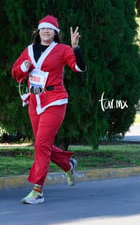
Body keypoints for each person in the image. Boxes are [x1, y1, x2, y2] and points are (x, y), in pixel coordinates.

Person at [11, 15, 86, 205]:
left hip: (55, 100)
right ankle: (67, 165)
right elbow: (16, 74)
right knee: (42, 144)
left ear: (55, 33)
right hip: (34, 100)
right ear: (38, 31)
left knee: (41, 145)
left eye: (50, 29)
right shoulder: (28, 50)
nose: (46, 32)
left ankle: (38, 191)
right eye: (43, 28)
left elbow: (79, 68)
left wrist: (75, 47)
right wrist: (23, 66)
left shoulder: (63, 49)